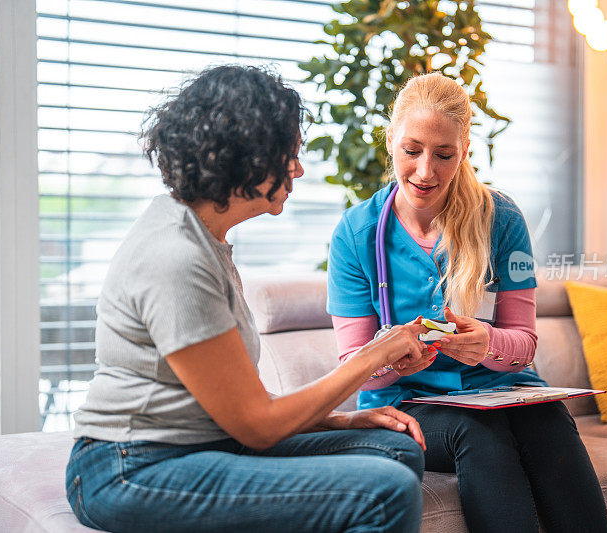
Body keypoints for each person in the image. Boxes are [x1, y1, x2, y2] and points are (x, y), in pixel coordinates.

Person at [65, 65, 438, 533]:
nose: (299, 169)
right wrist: (375, 354)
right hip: (130, 466)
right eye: (291, 155)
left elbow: (242, 401)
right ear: (248, 156)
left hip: (202, 442)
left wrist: (346, 422)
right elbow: (256, 425)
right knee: (385, 492)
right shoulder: (176, 258)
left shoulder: (207, 240)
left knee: (394, 449)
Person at [327, 73, 607, 533]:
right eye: (412, 150)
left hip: (499, 388)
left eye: (444, 155)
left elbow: (523, 340)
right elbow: (352, 364)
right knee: (477, 434)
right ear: (391, 142)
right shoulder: (356, 234)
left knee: (549, 420)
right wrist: (397, 360)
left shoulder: (502, 218)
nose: (425, 172)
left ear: (465, 154)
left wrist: (489, 344)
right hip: (409, 400)